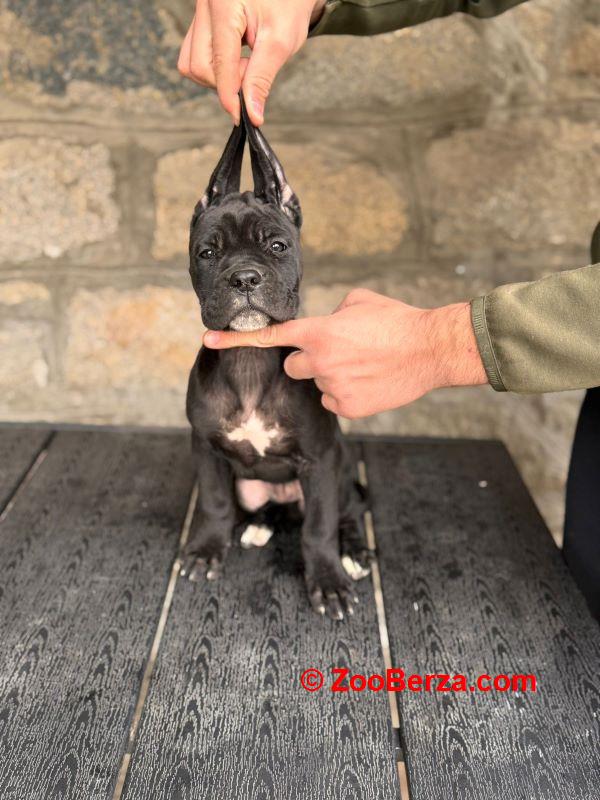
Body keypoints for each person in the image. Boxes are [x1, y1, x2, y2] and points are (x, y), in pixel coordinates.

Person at [178, 0, 600, 617]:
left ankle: (332, 538)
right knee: (583, 596)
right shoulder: (204, 391)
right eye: (214, 252)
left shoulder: (296, 382)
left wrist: (442, 343)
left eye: (270, 248)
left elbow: (324, 457)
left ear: (292, 228)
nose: (244, 276)